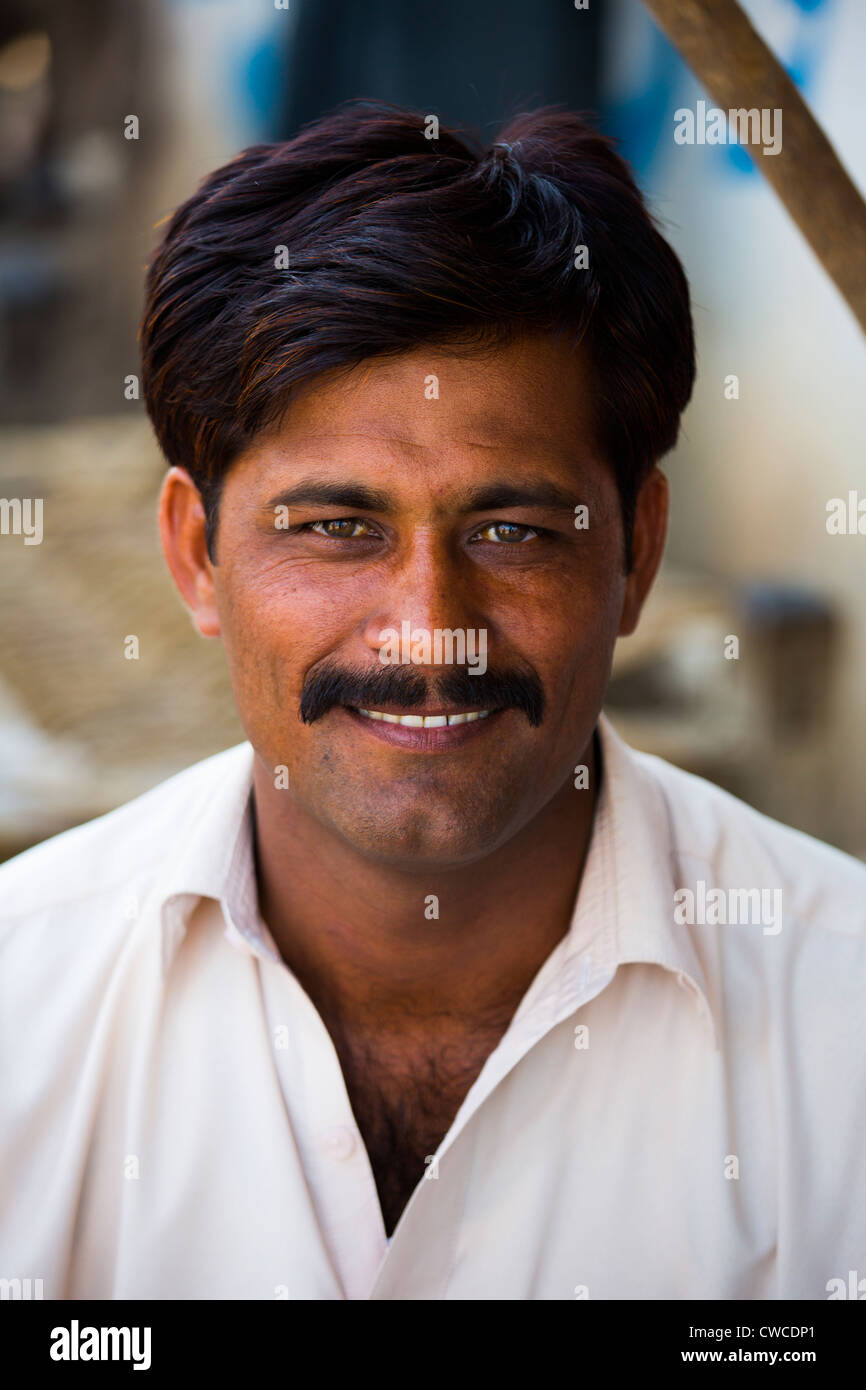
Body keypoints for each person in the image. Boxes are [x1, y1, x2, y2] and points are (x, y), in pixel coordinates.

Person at [1, 103, 863, 1301]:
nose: (427, 628)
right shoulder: (22, 1003)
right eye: (336, 528)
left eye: (510, 530)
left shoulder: (843, 1020)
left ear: (638, 554)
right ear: (197, 557)